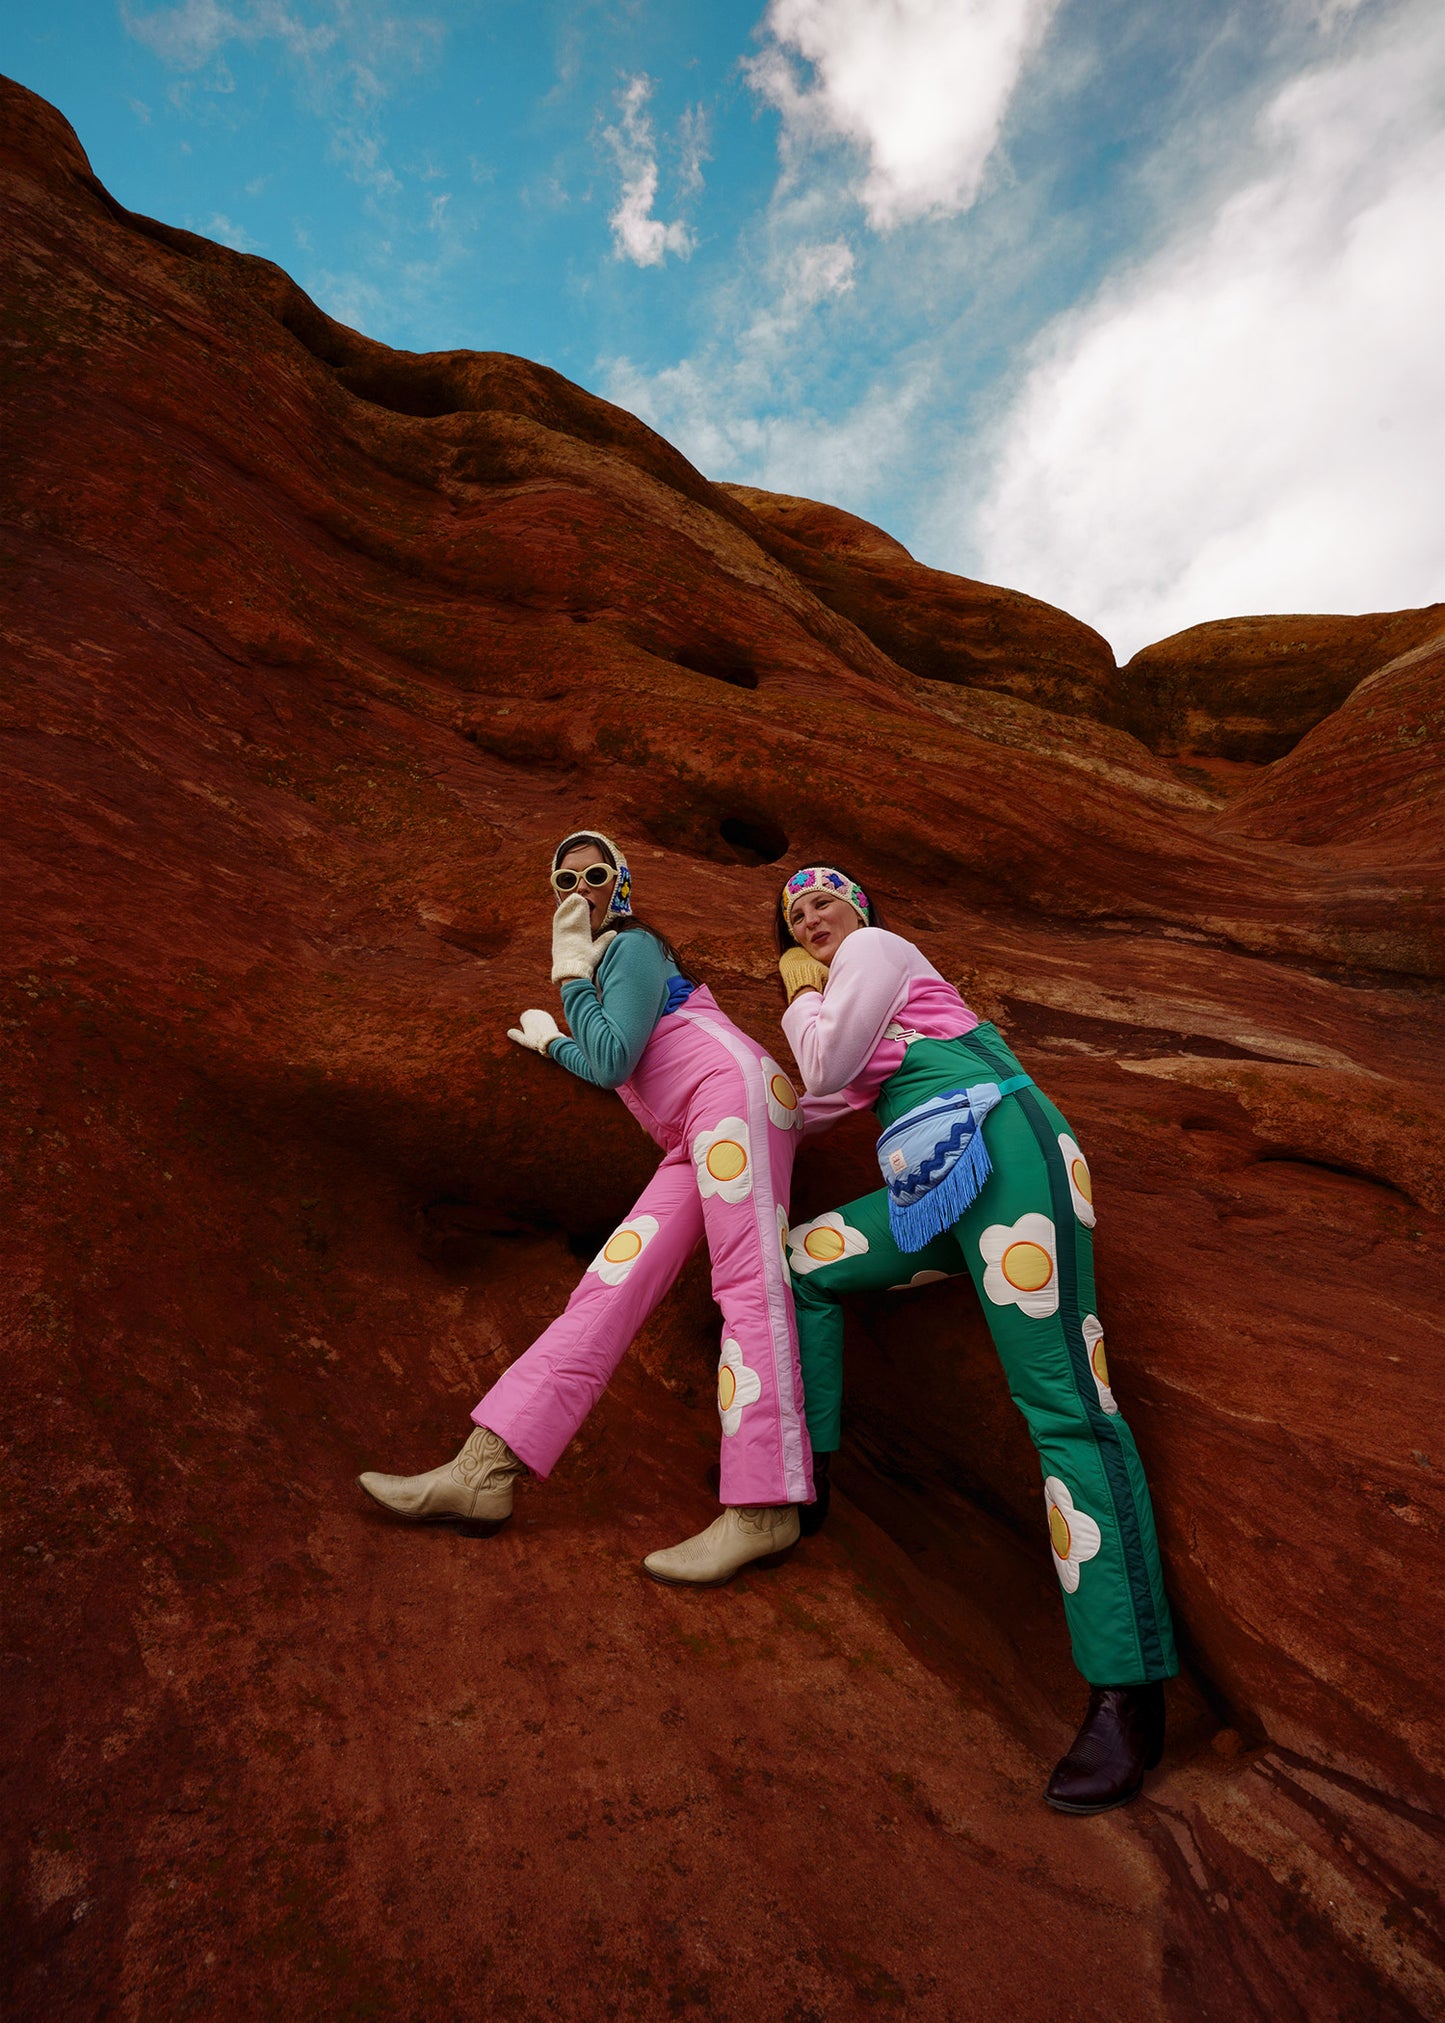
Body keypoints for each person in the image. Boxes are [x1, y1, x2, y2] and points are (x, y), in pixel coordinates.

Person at [774, 864, 1178, 1813]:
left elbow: (823, 1068)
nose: (810, 914)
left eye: (822, 901)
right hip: (930, 1194)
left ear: (860, 913)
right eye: (794, 913)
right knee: (803, 1259)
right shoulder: (860, 1016)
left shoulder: (873, 956)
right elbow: (815, 1100)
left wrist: (798, 986)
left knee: (1065, 1410)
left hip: (1005, 1159)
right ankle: (807, 1472)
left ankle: (1128, 1689)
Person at [359, 831, 812, 1586]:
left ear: (620, 887)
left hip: (733, 1101)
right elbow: (611, 1054)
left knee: (746, 1285)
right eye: (562, 877)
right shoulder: (611, 966)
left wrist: (569, 980)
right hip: (697, 1130)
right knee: (608, 1284)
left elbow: (609, 1058)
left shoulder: (629, 948)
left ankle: (765, 1505)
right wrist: (555, 1040)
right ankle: (484, 1469)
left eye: (595, 874)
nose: (579, 886)